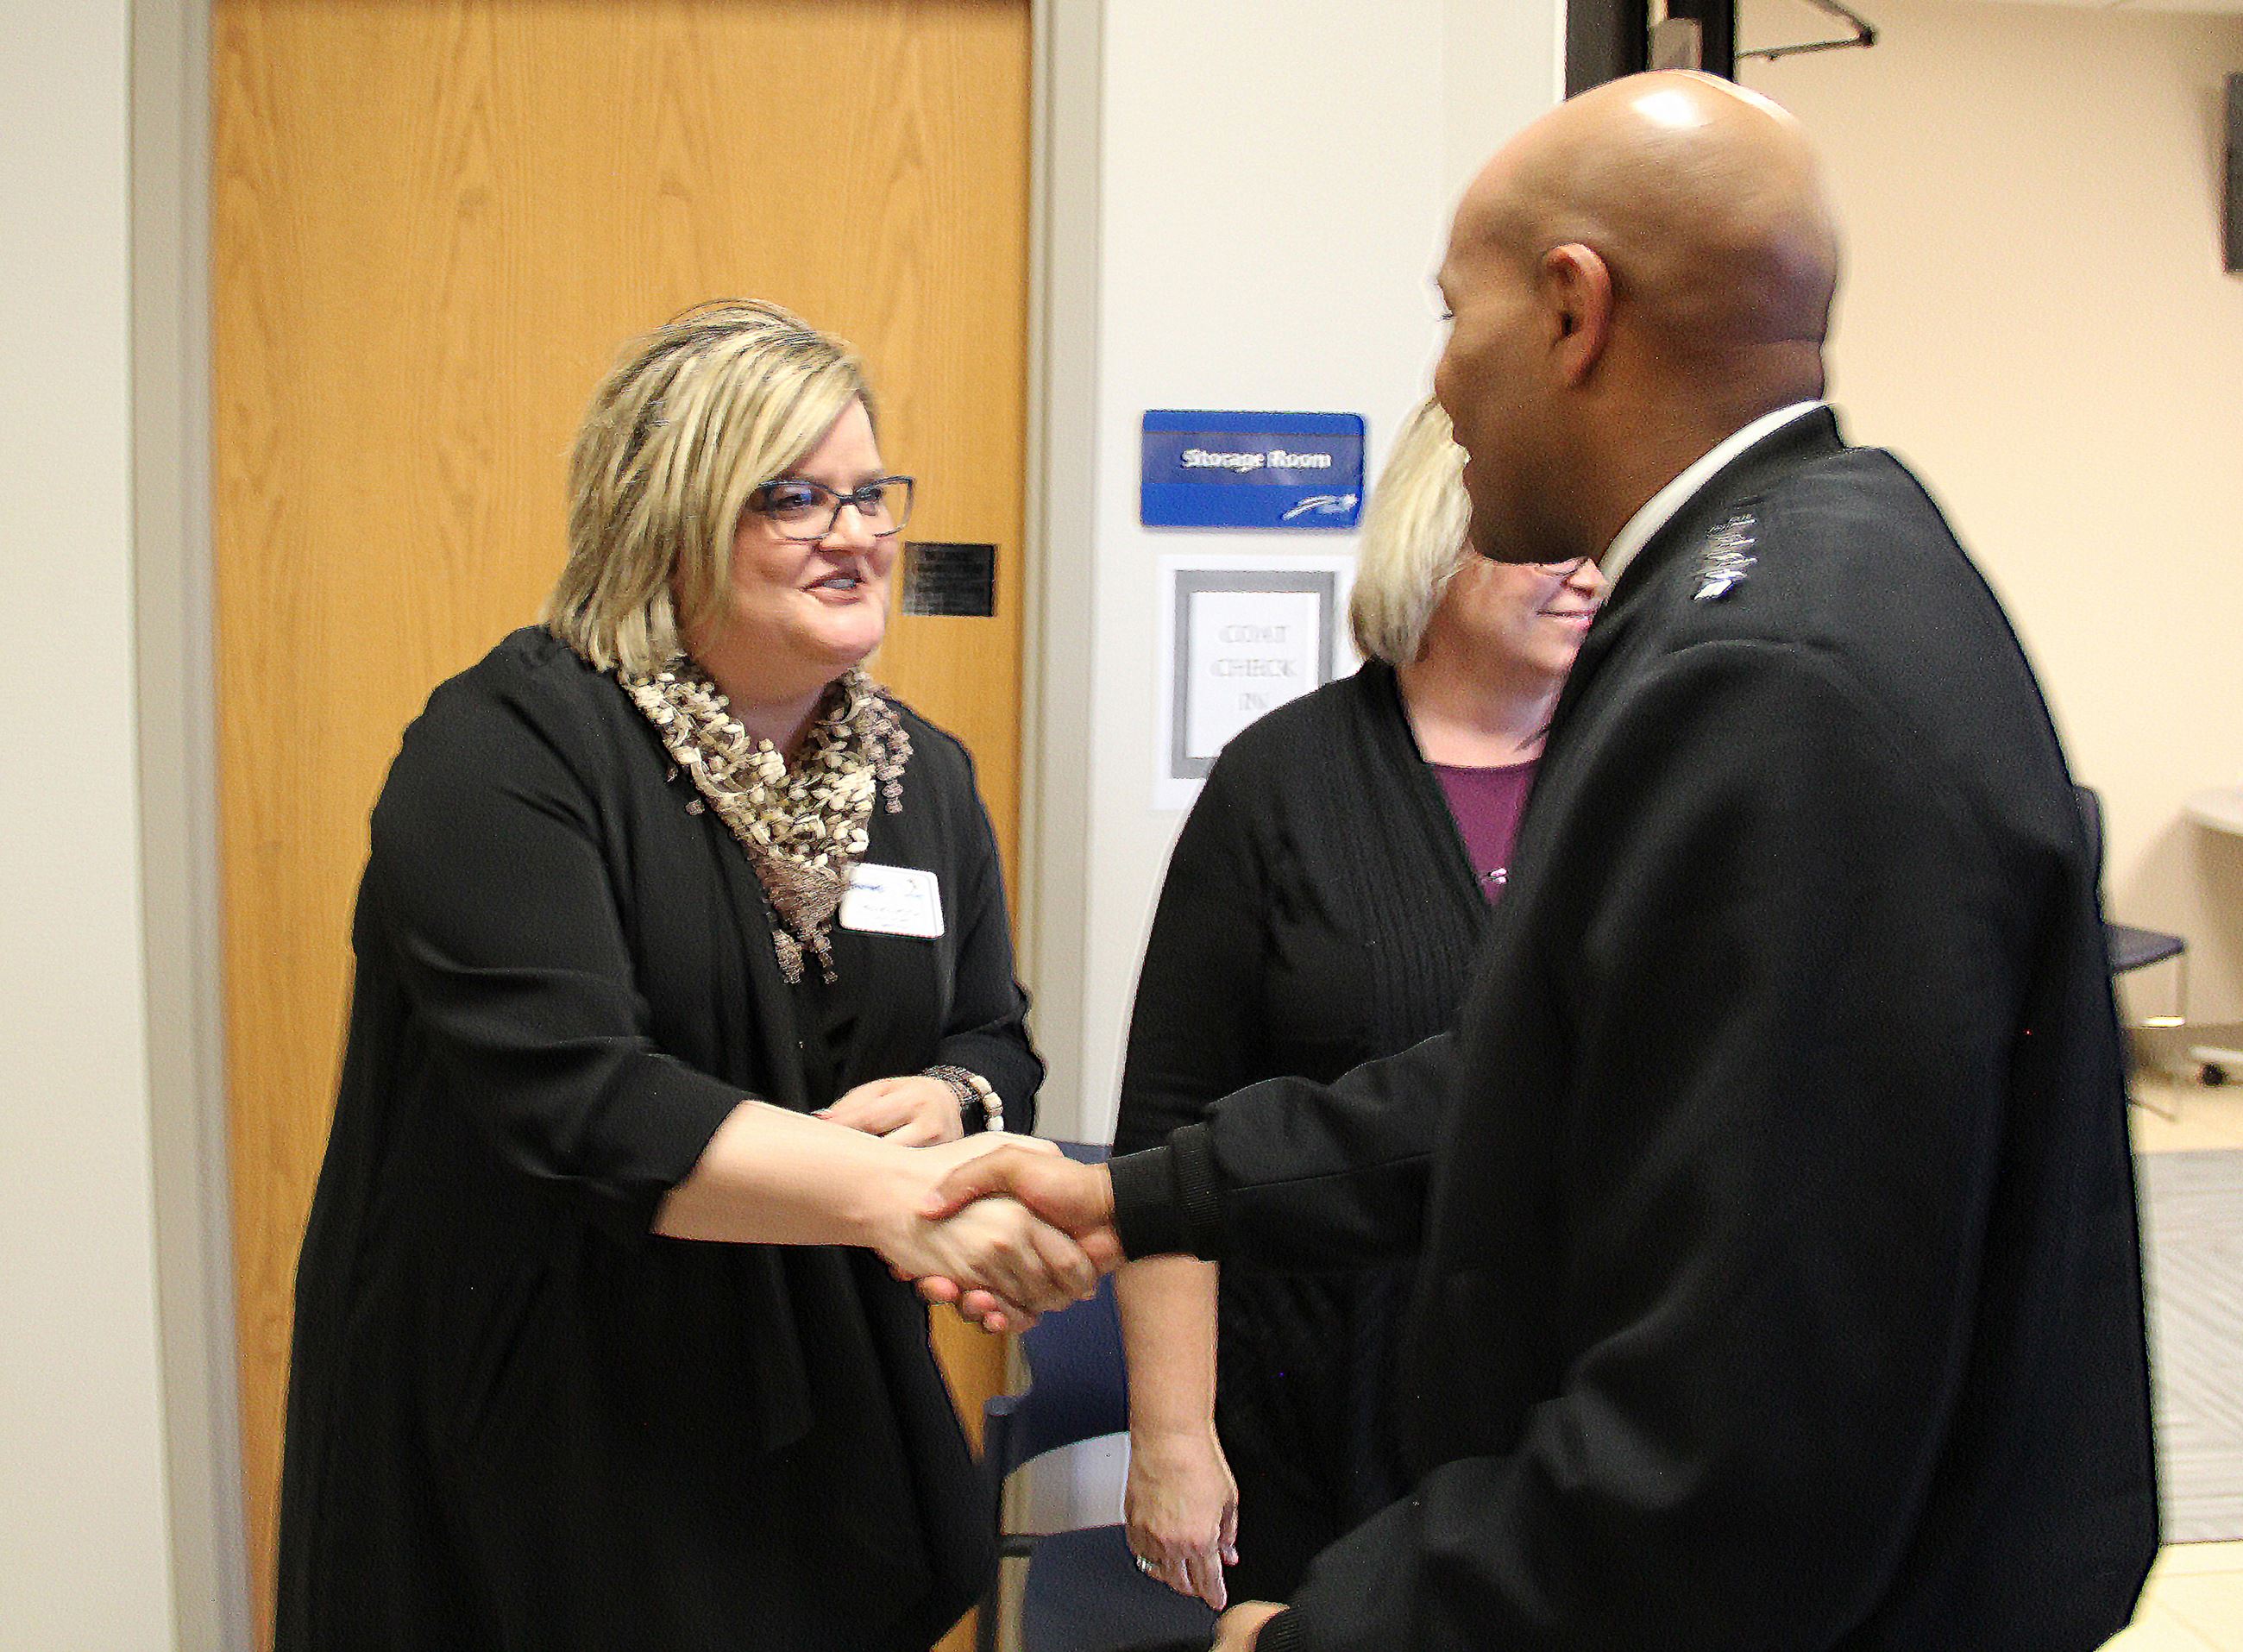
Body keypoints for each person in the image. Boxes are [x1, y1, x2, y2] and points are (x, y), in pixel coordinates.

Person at [923, 72, 2159, 1652]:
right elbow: (1551, 1081)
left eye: (1455, 316)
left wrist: (1324, 1638)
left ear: (1575, 309)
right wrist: (1145, 1196)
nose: (1441, 380)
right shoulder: (1802, 578)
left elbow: (1727, 1463)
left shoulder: (1773, 688)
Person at [273, 299, 1100, 1652]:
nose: (855, 534)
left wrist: (953, 1102)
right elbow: (583, 1100)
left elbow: (993, 1036)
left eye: (869, 494)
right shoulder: (507, 750)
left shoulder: (921, 775)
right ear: (667, 518)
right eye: (793, 498)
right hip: (555, 1429)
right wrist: (905, 1201)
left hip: (818, 1423)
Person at [1113, 397, 1605, 1610]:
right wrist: (1172, 1435)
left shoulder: (1634, 775)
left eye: (1607, 538)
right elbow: (1166, 1124)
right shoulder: (1280, 782)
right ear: (1436, 536)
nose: (1589, 571)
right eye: (1552, 538)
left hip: (1570, 1426)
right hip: (1314, 1404)